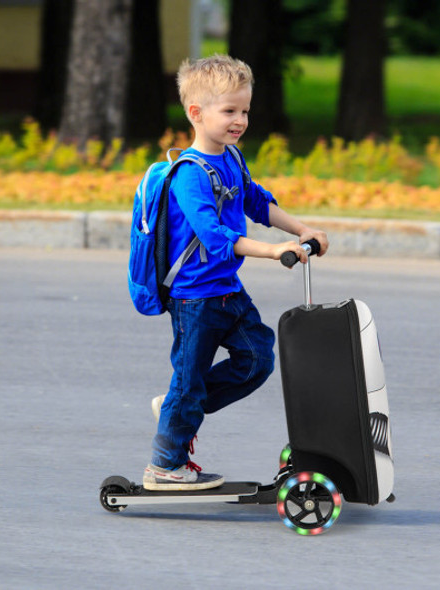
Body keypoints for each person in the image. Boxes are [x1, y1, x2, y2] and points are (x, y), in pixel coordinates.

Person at [143, 55, 328, 491]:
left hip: (227, 290)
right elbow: (215, 236)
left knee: (257, 359)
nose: (240, 120)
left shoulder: (232, 158)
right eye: (229, 111)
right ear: (196, 113)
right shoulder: (188, 174)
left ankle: (177, 407)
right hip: (195, 298)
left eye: (244, 110)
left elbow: (257, 202)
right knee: (189, 381)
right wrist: (274, 250)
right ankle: (164, 467)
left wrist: (302, 230)